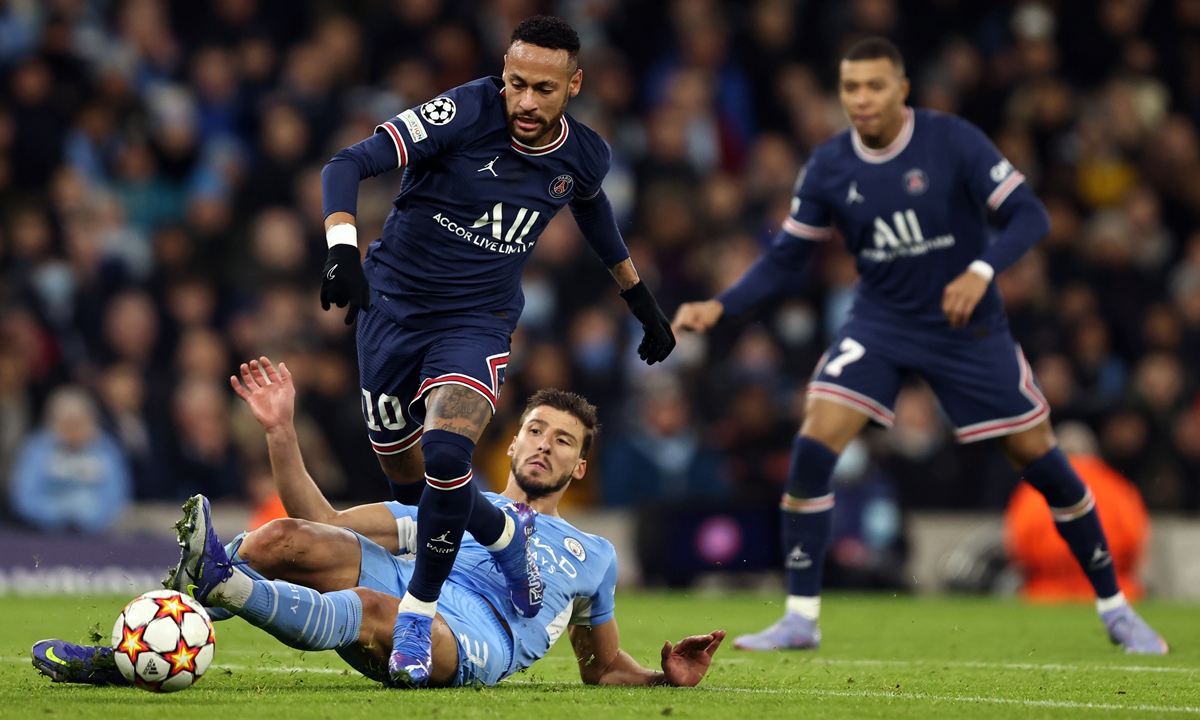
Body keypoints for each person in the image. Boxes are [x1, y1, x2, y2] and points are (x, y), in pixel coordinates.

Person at [672, 37, 1168, 654]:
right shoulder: (829, 164)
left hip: (967, 329)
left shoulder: (951, 140)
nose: (862, 99)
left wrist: (982, 271)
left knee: (1040, 460)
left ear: (902, 89)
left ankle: (1117, 607)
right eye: (851, 87)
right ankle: (801, 616)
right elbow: (786, 258)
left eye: (875, 86)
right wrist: (723, 304)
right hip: (881, 321)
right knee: (813, 441)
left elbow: (1030, 215)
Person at [317, 16, 675, 685]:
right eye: (516, 84)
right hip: (390, 312)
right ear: (502, 76)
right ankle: (505, 537)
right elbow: (348, 163)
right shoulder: (463, 111)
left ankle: (418, 620)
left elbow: (593, 211)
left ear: (574, 84)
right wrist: (341, 251)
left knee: (449, 454)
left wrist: (639, 298)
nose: (527, 102)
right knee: (411, 487)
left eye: (544, 88)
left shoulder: (584, 155)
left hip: (475, 323)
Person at [33, 357, 722, 689]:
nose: (544, 443)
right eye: (535, 430)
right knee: (281, 540)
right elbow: (323, 525)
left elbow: (600, 670)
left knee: (372, 609)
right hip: (417, 581)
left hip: (473, 636)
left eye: (563, 440)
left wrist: (665, 680)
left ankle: (223, 586)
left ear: (577, 469)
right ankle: (130, 650)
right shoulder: (447, 506)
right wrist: (280, 432)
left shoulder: (594, 554)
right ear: (509, 445)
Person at [10, 386, 131, 534]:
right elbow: (23, 497)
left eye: (79, 422)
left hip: (98, 534)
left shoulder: (106, 449)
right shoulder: (36, 448)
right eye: (68, 422)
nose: (73, 429)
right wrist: (56, 515)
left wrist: (89, 517)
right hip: (43, 533)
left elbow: (118, 495)